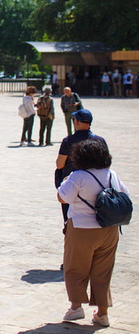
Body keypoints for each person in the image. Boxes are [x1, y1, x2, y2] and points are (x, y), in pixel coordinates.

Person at [56, 138, 130, 327]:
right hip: (109, 229)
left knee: (75, 268)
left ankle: (76, 307)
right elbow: (125, 194)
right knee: (103, 271)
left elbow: (62, 198)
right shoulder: (112, 174)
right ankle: (102, 313)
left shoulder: (78, 176)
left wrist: (65, 182)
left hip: (81, 228)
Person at [55, 109, 108, 226]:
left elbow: (59, 164)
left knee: (70, 220)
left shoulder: (68, 141)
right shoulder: (100, 140)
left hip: (72, 183)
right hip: (96, 186)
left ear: (77, 121)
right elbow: (107, 165)